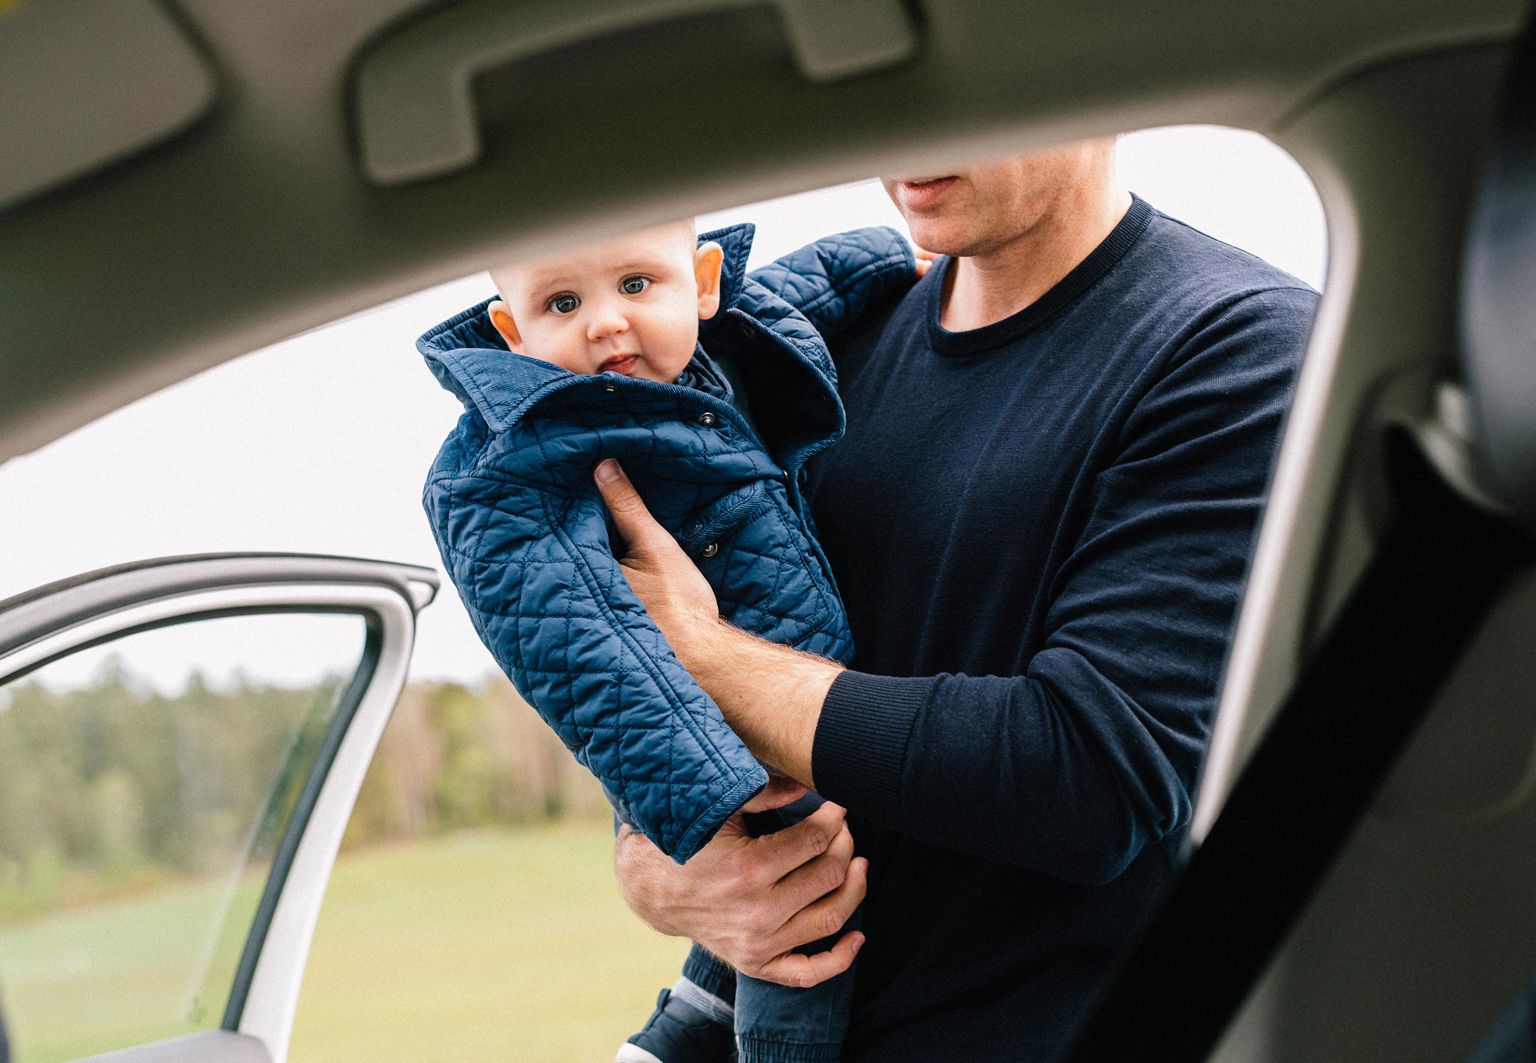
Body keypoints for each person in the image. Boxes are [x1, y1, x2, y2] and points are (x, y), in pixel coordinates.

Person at [596, 138, 1321, 1061]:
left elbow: (1085, 775)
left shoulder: (1234, 345)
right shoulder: (830, 339)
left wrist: (701, 659)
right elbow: (705, 623)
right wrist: (650, 864)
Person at [418, 220, 921, 1063]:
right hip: (714, 740)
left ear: (702, 282)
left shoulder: (720, 343)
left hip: (793, 697)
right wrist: (715, 792)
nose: (607, 322)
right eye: (562, 301)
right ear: (512, 330)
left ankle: (683, 1022)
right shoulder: (513, 458)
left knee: (780, 924)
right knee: (799, 942)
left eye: (637, 285)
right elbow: (569, 640)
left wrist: (888, 257)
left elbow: (809, 286)